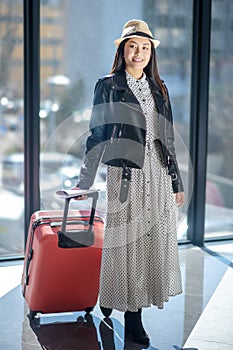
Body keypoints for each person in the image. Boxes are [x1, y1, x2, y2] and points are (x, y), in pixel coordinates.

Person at [75, 19, 185, 347]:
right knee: (128, 245)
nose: (138, 53)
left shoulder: (159, 88)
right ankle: (132, 317)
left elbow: (167, 137)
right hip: (126, 173)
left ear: (151, 53)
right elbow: (97, 132)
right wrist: (85, 180)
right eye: (132, 46)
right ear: (122, 51)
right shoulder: (108, 85)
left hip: (158, 172)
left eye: (144, 47)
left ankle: (112, 296)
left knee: (151, 241)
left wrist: (176, 180)